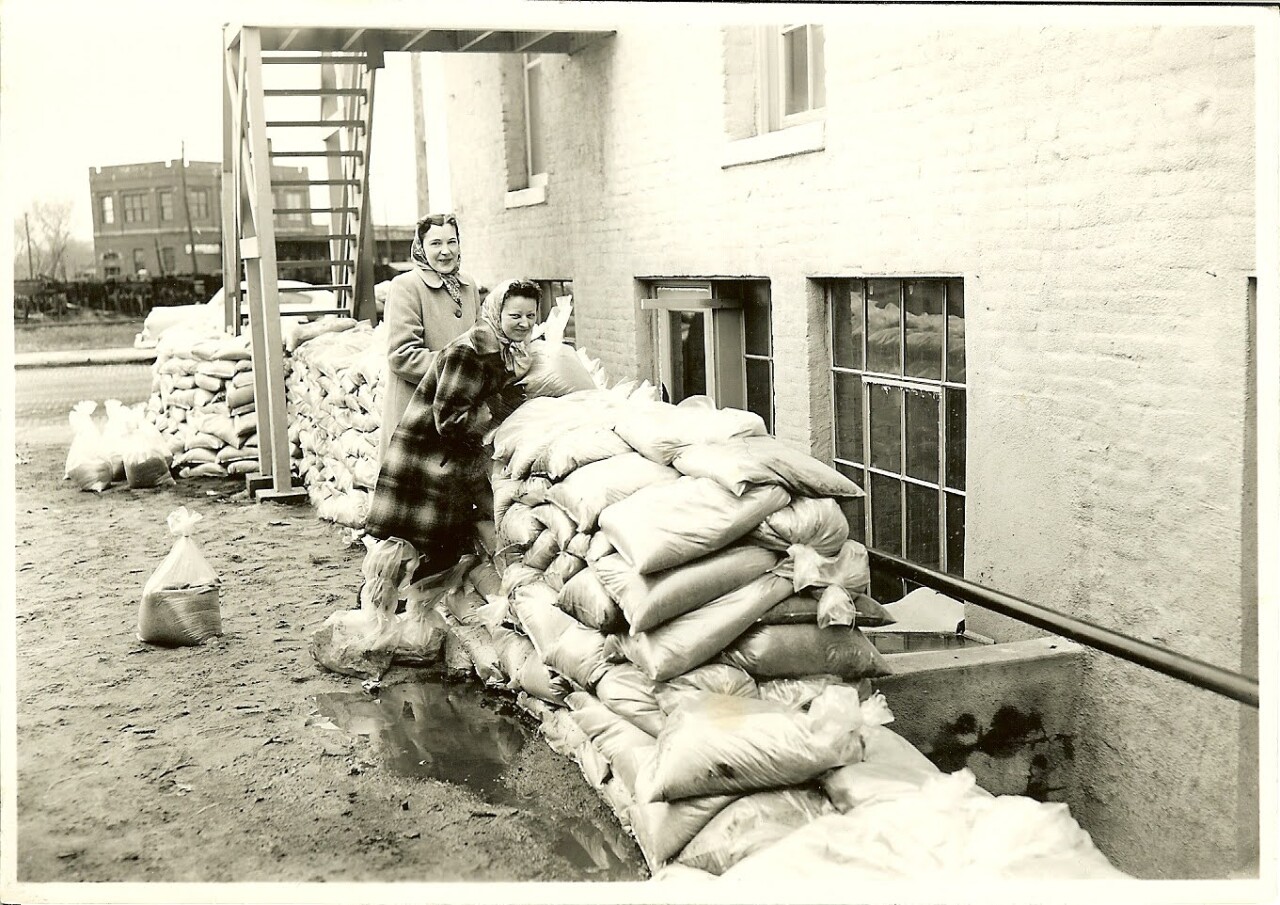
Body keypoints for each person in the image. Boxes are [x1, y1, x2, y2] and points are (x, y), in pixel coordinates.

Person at [365, 279, 542, 576]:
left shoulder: (502, 351)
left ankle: (410, 615)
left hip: (445, 458)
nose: (524, 323)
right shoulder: (469, 353)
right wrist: (490, 412)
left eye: (531, 316)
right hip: (426, 461)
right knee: (402, 554)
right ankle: (373, 614)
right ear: (497, 314)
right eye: (515, 316)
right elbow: (449, 421)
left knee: (435, 557)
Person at [380, 213, 481, 461]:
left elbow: (480, 340)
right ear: (421, 247)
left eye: (452, 242)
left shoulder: (468, 285)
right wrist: (462, 369)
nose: (445, 251)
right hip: (417, 412)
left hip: (456, 415)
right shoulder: (406, 286)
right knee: (417, 495)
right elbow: (402, 356)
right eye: (435, 243)